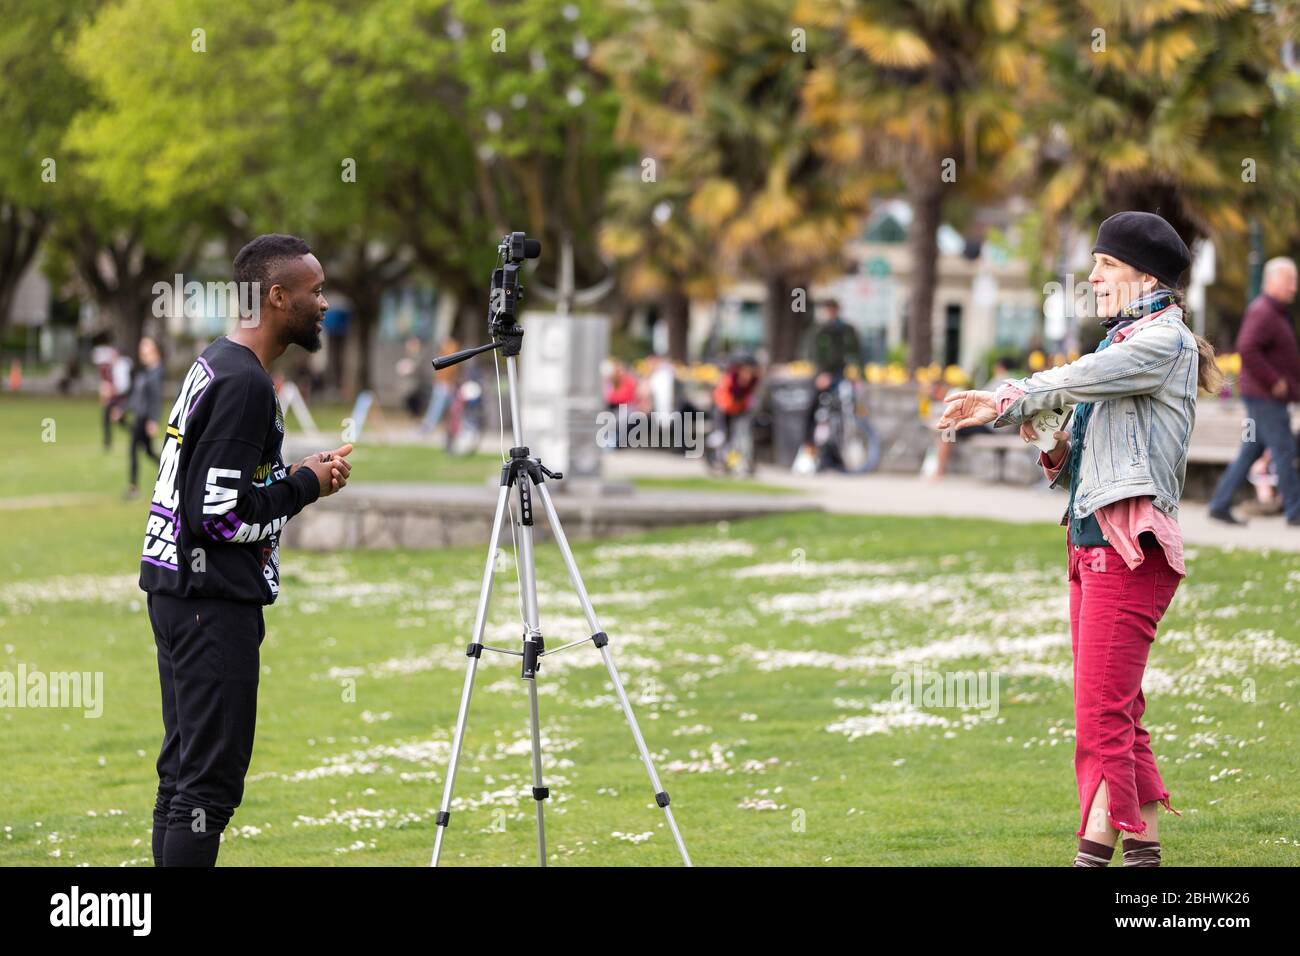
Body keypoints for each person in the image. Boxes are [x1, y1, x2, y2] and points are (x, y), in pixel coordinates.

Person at [938, 211, 1225, 868]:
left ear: (1146, 278)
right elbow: (1084, 463)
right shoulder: (1123, 343)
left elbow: (1071, 379)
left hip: (1129, 553)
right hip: (1091, 547)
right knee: (1118, 714)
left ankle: (1091, 856)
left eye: (1107, 264)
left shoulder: (1162, 342)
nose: (1093, 276)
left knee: (1100, 720)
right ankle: (1144, 859)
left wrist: (1004, 398)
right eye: (1094, 263)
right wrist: (1052, 442)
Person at [138, 234, 353, 866]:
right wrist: (304, 487)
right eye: (315, 291)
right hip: (210, 605)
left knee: (184, 778)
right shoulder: (246, 384)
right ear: (277, 296)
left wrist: (294, 474)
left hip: (180, 596)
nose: (324, 303)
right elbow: (218, 516)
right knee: (206, 789)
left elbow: (218, 485)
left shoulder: (217, 361)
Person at [1206, 257, 1300, 526]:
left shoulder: (1275, 312)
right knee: (1284, 450)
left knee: (1251, 450)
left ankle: (1219, 504)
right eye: (1289, 280)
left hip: (1263, 397)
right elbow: (1247, 347)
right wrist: (1275, 381)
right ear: (1271, 281)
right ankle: (1295, 512)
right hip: (1265, 397)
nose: (1294, 287)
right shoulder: (1264, 311)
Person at [799, 299, 863, 461]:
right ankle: (809, 446)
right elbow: (812, 354)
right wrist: (821, 374)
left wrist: (857, 372)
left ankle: (839, 450)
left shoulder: (847, 330)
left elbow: (856, 353)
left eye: (832, 309)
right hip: (822, 375)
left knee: (846, 408)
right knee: (814, 408)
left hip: (842, 375)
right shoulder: (818, 330)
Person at [124, 335, 164, 500]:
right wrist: (122, 409)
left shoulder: (156, 372)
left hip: (145, 418)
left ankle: (133, 488)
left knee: (134, 449)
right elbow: (136, 397)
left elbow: (156, 398)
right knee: (148, 452)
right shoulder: (146, 371)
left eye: (145, 347)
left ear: (154, 350)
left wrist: (153, 420)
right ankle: (172, 472)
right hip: (140, 416)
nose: (142, 351)